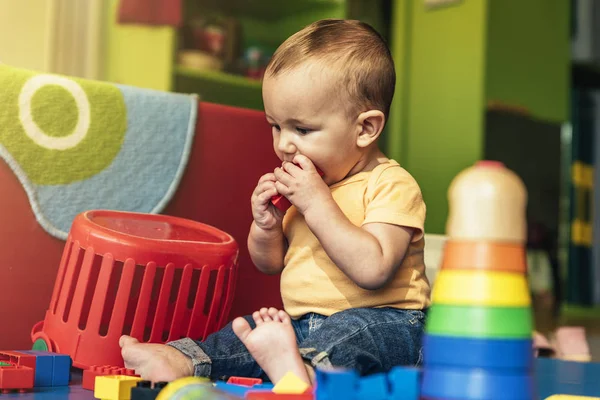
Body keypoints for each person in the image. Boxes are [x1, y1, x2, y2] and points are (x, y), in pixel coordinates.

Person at [119, 19, 430, 386]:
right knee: (249, 329)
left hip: (388, 321)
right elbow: (270, 264)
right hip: (302, 324)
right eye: (275, 126)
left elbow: (373, 270)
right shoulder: (311, 188)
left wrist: (316, 205)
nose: (284, 144)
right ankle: (184, 358)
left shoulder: (390, 183)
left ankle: (303, 371)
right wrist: (266, 226)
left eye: (302, 129)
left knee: (350, 333)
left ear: (365, 129)